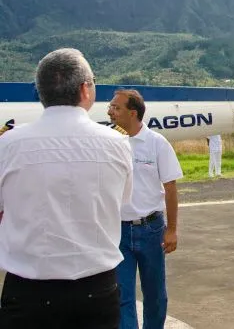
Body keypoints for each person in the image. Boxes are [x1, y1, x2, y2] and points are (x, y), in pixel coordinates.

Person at [0, 48, 133, 329]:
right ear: (85, 89)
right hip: (96, 293)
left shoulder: (8, 145)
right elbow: (121, 202)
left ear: (41, 91)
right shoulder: (117, 143)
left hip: (27, 294)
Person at [107, 89, 183, 329]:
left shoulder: (156, 143)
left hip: (151, 230)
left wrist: (171, 230)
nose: (110, 111)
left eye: (116, 107)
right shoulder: (109, 142)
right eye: (110, 106)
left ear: (133, 113)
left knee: (155, 296)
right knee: (121, 297)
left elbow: (170, 188)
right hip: (118, 231)